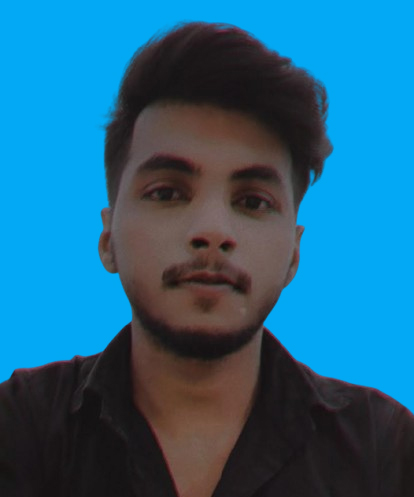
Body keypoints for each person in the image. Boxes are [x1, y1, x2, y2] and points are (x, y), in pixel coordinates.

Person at [1, 21, 413, 497]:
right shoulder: (21, 428)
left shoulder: (382, 451)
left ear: (294, 254)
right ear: (108, 238)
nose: (213, 231)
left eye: (253, 202)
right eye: (167, 193)